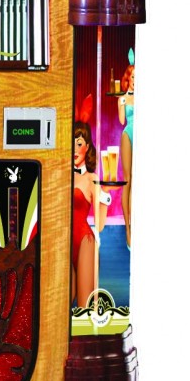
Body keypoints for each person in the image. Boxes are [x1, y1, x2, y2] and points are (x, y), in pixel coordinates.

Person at [71, 116, 109, 308]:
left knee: (84, 305)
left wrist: (106, 195)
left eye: (79, 144)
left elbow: (100, 225)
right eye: (71, 143)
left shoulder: (92, 179)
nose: (75, 149)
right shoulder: (61, 175)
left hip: (84, 242)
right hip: (63, 243)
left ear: (87, 147)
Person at [117, 51, 135, 248]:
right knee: (128, 180)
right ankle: (127, 229)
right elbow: (122, 120)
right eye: (133, 77)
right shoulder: (123, 98)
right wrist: (122, 104)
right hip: (128, 134)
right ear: (127, 78)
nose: (135, 81)